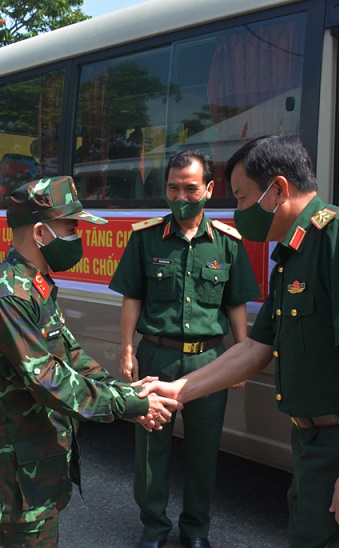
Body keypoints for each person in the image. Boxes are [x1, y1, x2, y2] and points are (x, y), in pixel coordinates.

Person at [139, 136, 339, 547]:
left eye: (241, 197)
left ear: (278, 189)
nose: (237, 212)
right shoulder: (294, 253)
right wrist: (178, 389)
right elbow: (255, 349)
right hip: (317, 440)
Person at [0, 175, 181, 548]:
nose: (78, 237)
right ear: (41, 233)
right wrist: (131, 404)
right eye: (71, 228)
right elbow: (47, 378)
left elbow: (70, 355)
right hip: (12, 477)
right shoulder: (8, 294)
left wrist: (124, 391)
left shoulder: (35, 285)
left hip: (34, 465)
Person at [109, 150, 261, 548]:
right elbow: (132, 298)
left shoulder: (227, 243)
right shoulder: (145, 238)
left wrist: (242, 356)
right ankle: (153, 528)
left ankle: (196, 530)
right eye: (173, 188)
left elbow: (235, 303)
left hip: (209, 360)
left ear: (209, 190)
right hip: (156, 355)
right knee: (150, 450)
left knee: (203, 452)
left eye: (190, 188)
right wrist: (127, 349)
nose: (180, 196)